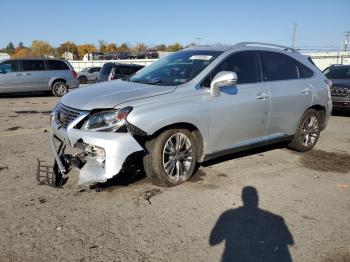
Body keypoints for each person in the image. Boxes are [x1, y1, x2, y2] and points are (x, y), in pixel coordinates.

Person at [209, 186, 294, 262]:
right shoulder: (276, 219)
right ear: (257, 198)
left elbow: (213, 240)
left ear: (243, 198)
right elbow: (290, 241)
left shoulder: (228, 215)